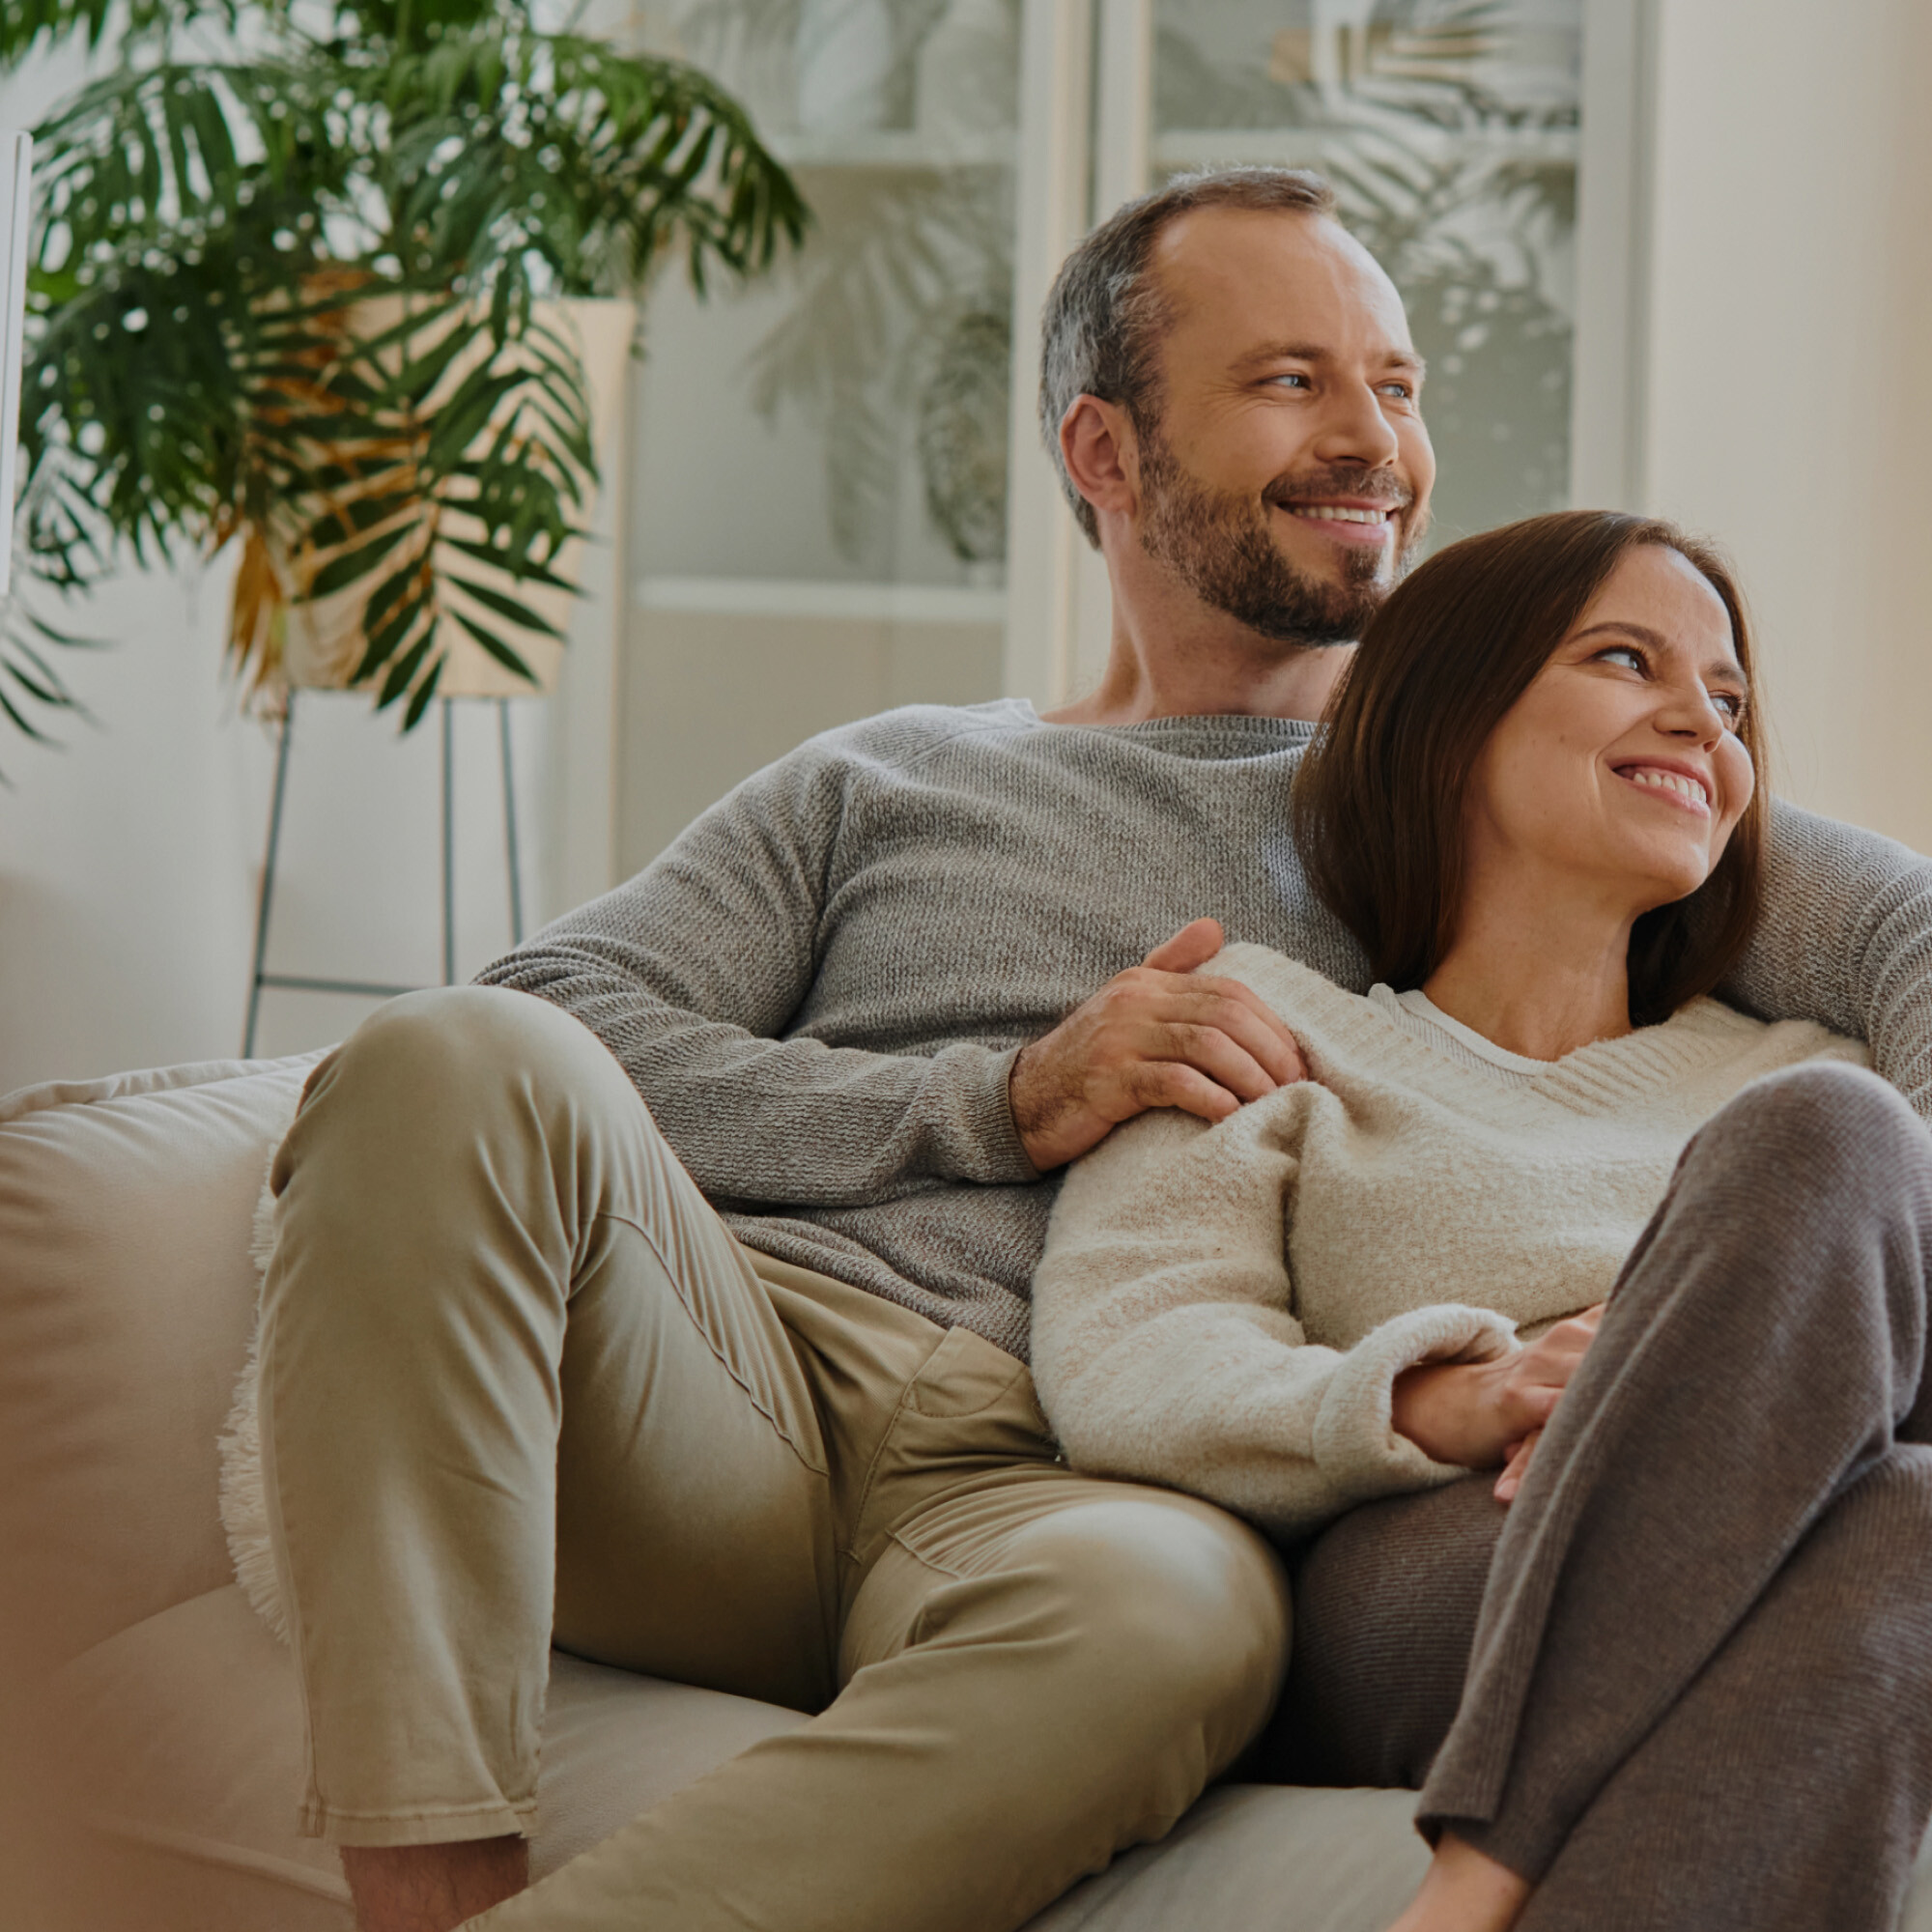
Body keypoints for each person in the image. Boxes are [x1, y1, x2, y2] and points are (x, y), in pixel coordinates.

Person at [254, 166, 1932, 1932]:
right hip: (732, 1374)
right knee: (448, 1057)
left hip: (1055, 1471)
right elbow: (551, 1017)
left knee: (1177, 1625)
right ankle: (421, 1898)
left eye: (1398, 384)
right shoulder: (885, 776)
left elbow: (1896, 943)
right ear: (1105, 453)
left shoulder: (1481, 782)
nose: (1374, 439)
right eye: (1293, 381)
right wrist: (994, 1100)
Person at [1031, 507, 1932, 1932]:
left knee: (1910, 1499)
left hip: (1784, 1525)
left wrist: (1669, 1386)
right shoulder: (1271, 1030)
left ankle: (1476, 1885)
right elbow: (1130, 1354)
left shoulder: (1819, 1076)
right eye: (1628, 660)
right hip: (1433, 1557)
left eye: (1731, 699)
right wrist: (1443, 1393)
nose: (1700, 717)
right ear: (1449, 718)